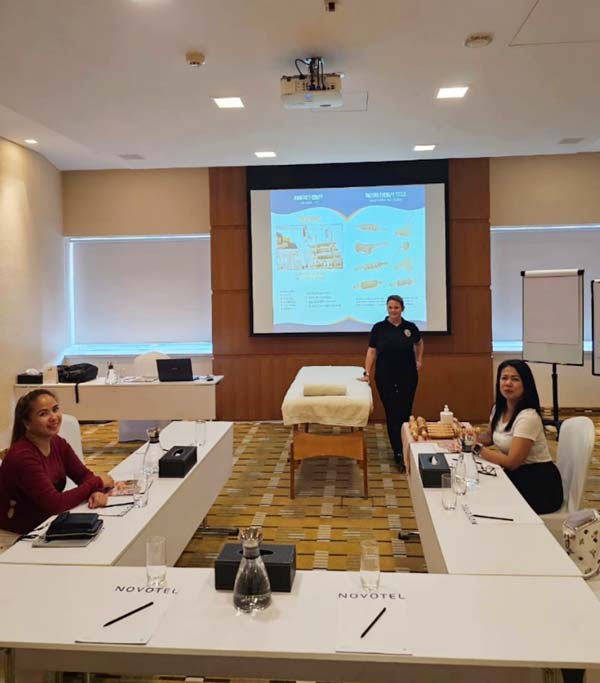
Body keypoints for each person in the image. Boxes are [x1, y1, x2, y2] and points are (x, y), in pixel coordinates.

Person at [0, 389, 114, 542]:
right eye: (43, 414)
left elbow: (83, 475)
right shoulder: (23, 457)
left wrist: (96, 491)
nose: (54, 417)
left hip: (44, 527)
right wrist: (98, 482)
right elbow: (55, 504)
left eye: (55, 409)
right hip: (15, 538)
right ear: (27, 423)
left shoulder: (57, 442)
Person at [473, 359, 563, 514]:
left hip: (538, 483)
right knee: (477, 485)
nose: (508, 383)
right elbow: (490, 437)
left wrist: (476, 448)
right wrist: (468, 435)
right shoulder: (498, 408)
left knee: (484, 497)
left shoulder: (528, 416)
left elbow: (512, 462)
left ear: (526, 384)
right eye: (504, 378)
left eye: (515, 379)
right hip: (516, 474)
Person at [360, 294, 424, 470]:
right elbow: (371, 352)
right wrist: (367, 372)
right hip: (385, 377)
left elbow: (419, 343)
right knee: (392, 414)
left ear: (402, 308)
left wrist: (419, 360)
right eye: (390, 307)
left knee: (405, 413)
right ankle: (398, 453)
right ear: (387, 308)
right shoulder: (379, 328)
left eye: (396, 307)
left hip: (408, 376)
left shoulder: (410, 327)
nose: (393, 310)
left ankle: (406, 448)